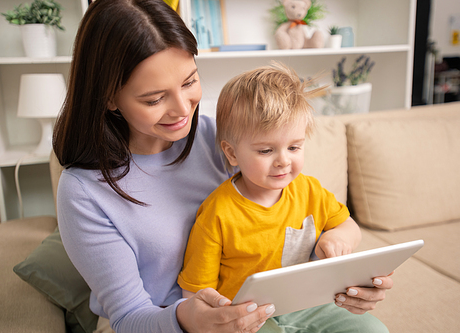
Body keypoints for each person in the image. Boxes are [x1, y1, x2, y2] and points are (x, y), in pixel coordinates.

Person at [53, 1, 393, 332]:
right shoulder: (83, 191)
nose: (181, 109)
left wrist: (340, 280)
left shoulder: (221, 138)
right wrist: (190, 319)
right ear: (109, 96)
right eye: (154, 99)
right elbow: (129, 317)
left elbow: (283, 231)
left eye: (189, 82)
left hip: (263, 309)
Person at [177, 63, 389, 332]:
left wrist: (338, 237)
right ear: (232, 154)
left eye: (294, 147)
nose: (283, 161)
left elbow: (348, 226)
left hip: (306, 304)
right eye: (266, 150)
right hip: (246, 317)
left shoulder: (309, 189)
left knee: (372, 330)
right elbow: (195, 294)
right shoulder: (217, 213)